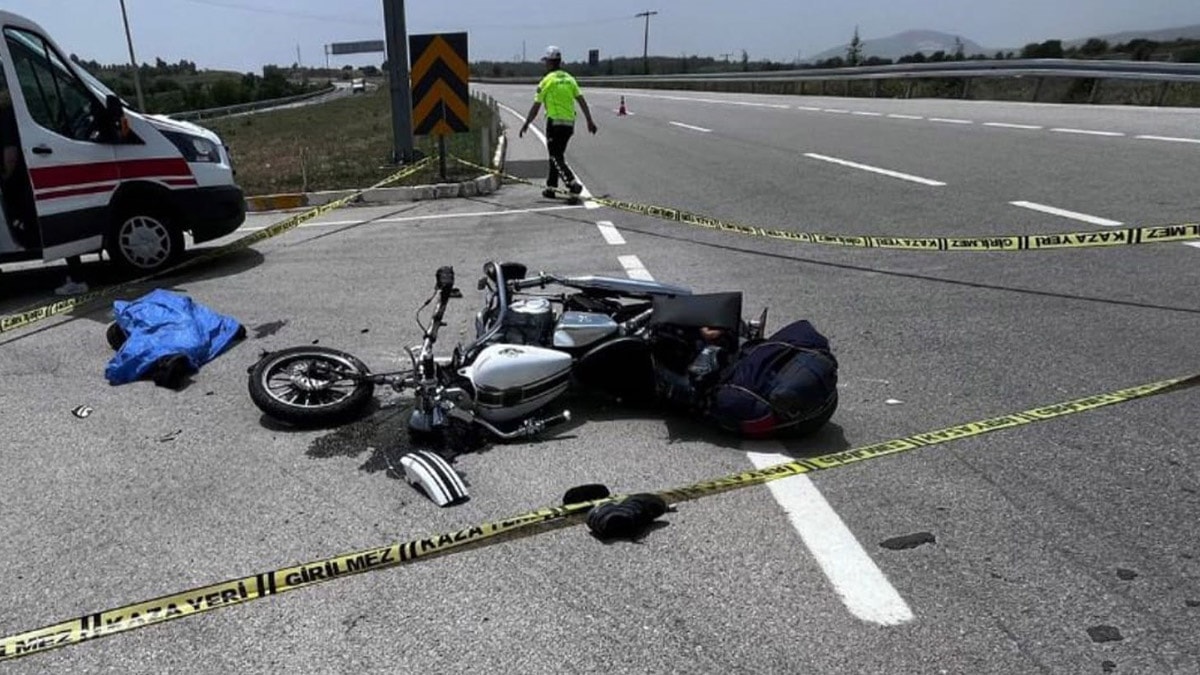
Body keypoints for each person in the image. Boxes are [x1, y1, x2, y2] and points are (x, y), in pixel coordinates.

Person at [519, 45, 597, 205]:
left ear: (549, 62)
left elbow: (536, 106)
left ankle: (571, 183)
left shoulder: (547, 81)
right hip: (569, 124)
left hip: (554, 123)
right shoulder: (569, 78)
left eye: (546, 61)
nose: (545, 64)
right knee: (556, 155)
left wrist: (527, 123)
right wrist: (589, 120)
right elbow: (581, 100)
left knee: (555, 156)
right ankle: (551, 188)